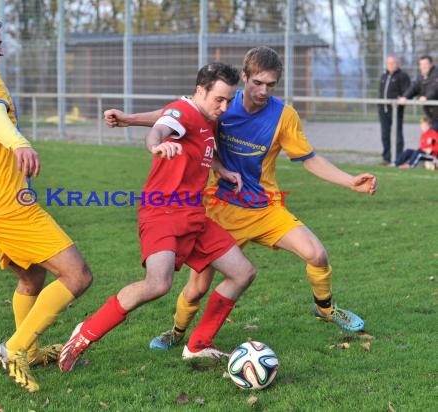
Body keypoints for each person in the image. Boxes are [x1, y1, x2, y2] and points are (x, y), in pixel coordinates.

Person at [103, 47, 378, 353]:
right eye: (257, 82)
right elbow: (174, 114)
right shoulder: (222, 105)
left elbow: (309, 159)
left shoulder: (284, 116)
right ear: (244, 77)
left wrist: (349, 181)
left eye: (270, 85)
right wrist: (128, 119)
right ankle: (177, 331)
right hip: (220, 210)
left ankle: (325, 308)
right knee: (196, 288)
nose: (263, 91)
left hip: (265, 208)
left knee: (317, 254)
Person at [58, 62, 258, 372]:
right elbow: (163, 126)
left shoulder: (205, 117)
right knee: (157, 284)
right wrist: (156, 144)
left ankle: (198, 346)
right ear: (200, 91)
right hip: (162, 211)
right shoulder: (185, 110)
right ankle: (83, 334)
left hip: (193, 215)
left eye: (229, 99)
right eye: (219, 98)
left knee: (243, 272)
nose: (225, 106)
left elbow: (172, 120)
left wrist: (222, 169)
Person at [0, 12, 93, 392]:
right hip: (7, 204)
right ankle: (15, 348)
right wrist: (19, 142)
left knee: (32, 276)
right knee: (77, 275)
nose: (1, 51)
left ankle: (33, 348)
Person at [378, 56, 410, 165]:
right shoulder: (384, 76)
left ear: (397, 64)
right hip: (383, 110)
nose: (391, 65)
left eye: (393, 63)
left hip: (396, 110)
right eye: (389, 63)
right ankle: (386, 158)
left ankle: (398, 158)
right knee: (385, 135)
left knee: (397, 135)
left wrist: (402, 98)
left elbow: (407, 91)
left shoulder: (403, 76)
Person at [399, 55, 438, 131]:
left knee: (432, 136)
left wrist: (427, 97)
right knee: (431, 137)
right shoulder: (421, 77)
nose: (423, 67)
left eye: (425, 64)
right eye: (421, 64)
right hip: (432, 115)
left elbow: (435, 88)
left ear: (431, 64)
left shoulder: (436, 75)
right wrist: (405, 97)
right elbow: (413, 88)